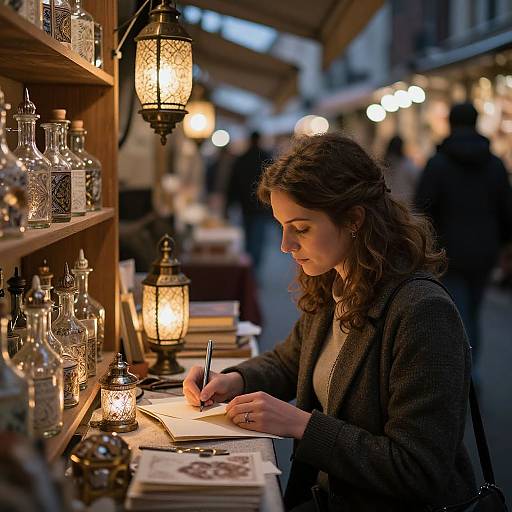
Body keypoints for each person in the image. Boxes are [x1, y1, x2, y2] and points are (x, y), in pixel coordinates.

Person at [184, 134, 476, 511]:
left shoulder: (422, 312)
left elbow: (419, 468)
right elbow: (292, 359)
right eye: (282, 226)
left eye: (301, 228)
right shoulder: (335, 280)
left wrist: (302, 425)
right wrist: (233, 379)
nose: (285, 245)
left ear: (354, 218)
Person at [416, 102, 512, 372]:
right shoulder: (494, 164)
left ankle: (463, 375)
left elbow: (422, 208)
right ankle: (471, 372)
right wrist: (505, 245)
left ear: (451, 124)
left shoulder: (438, 164)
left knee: (457, 313)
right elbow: (506, 208)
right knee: (472, 312)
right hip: (485, 251)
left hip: (449, 253)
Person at [226, 131, 272, 273]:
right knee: (258, 240)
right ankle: (253, 271)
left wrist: (229, 204)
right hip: (261, 207)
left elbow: (233, 184)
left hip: (245, 206)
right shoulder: (265, 157)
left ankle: (248, 270)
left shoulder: (242, 159)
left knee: (248, 238)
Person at [383, 134, 420, 205]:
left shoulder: (383, 164)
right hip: (405, 205)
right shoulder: (408, 165)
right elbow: (418, 182)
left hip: (387, 205)